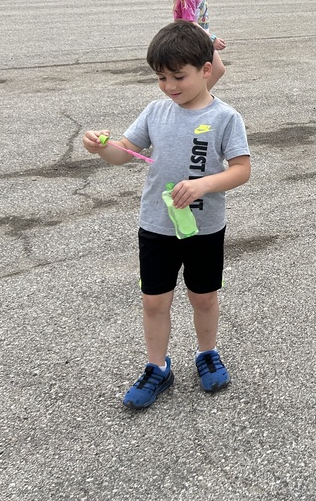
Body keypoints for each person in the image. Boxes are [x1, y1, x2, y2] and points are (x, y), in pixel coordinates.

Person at [82, 21, 251, 410]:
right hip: (156, 226)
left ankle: (206, 353)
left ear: (206, 70)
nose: (169, 86)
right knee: (154, 302)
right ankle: (157, 366)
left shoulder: (226, 117)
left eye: (178, 76)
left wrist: (204, 184)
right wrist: (100, 148)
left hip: (205, 228)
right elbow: (124, 152)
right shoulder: (156, 111)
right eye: (161, 78)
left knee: (204, 297)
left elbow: (241, 170)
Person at [158, 0, 227, 89]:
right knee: (214, 70)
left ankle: (197, 98)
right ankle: (195, 98)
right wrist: (212, 38)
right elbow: (189, 23)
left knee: (215, 70)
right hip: (192, 39)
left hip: (199, 38)